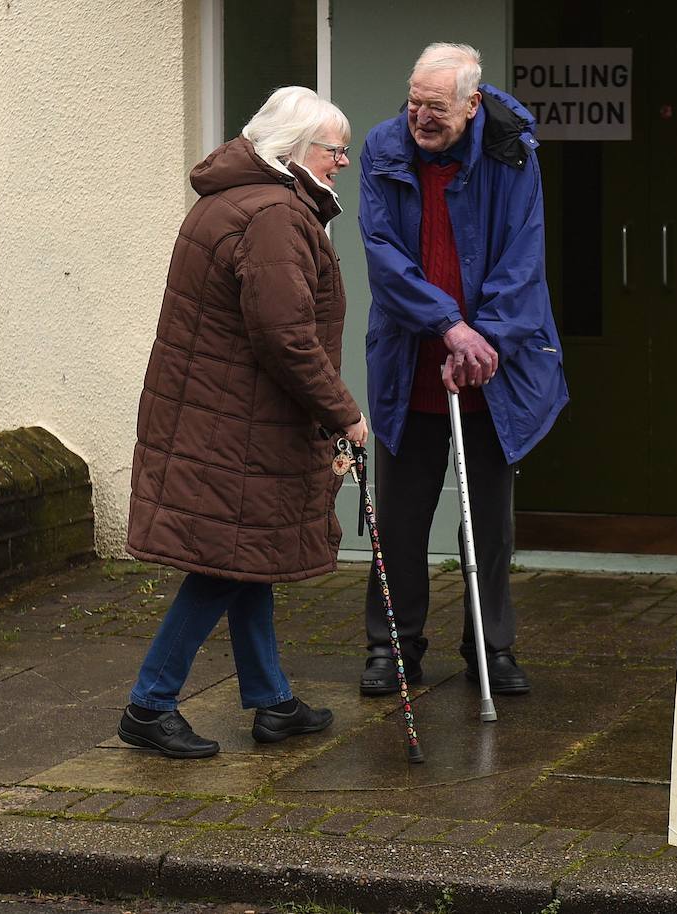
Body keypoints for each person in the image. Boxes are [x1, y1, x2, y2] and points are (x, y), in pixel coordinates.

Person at [118, 87, 368, 759]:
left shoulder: (232, 200)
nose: (344, 161)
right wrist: (344, 413)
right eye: (336, 148)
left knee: (246, 555)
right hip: (237, 424)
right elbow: (286, 337)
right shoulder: (275, 215)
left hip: (221, 416)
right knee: (224, 567)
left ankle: (271, 700)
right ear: (296, 149)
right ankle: (150, 703)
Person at [358, 43, 568, 697]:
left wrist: (483, 342)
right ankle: (393, 647)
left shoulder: (512, 154)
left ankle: (491, 648)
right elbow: (382, 255)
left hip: (490, 368)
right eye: (413, 103)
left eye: (436, 107)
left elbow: (523, 258)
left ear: (472, 104)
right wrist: (448, 326)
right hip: (411, 361)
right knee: (400, 519)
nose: (420, 117)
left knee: (490, 523)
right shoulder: (383, 149)